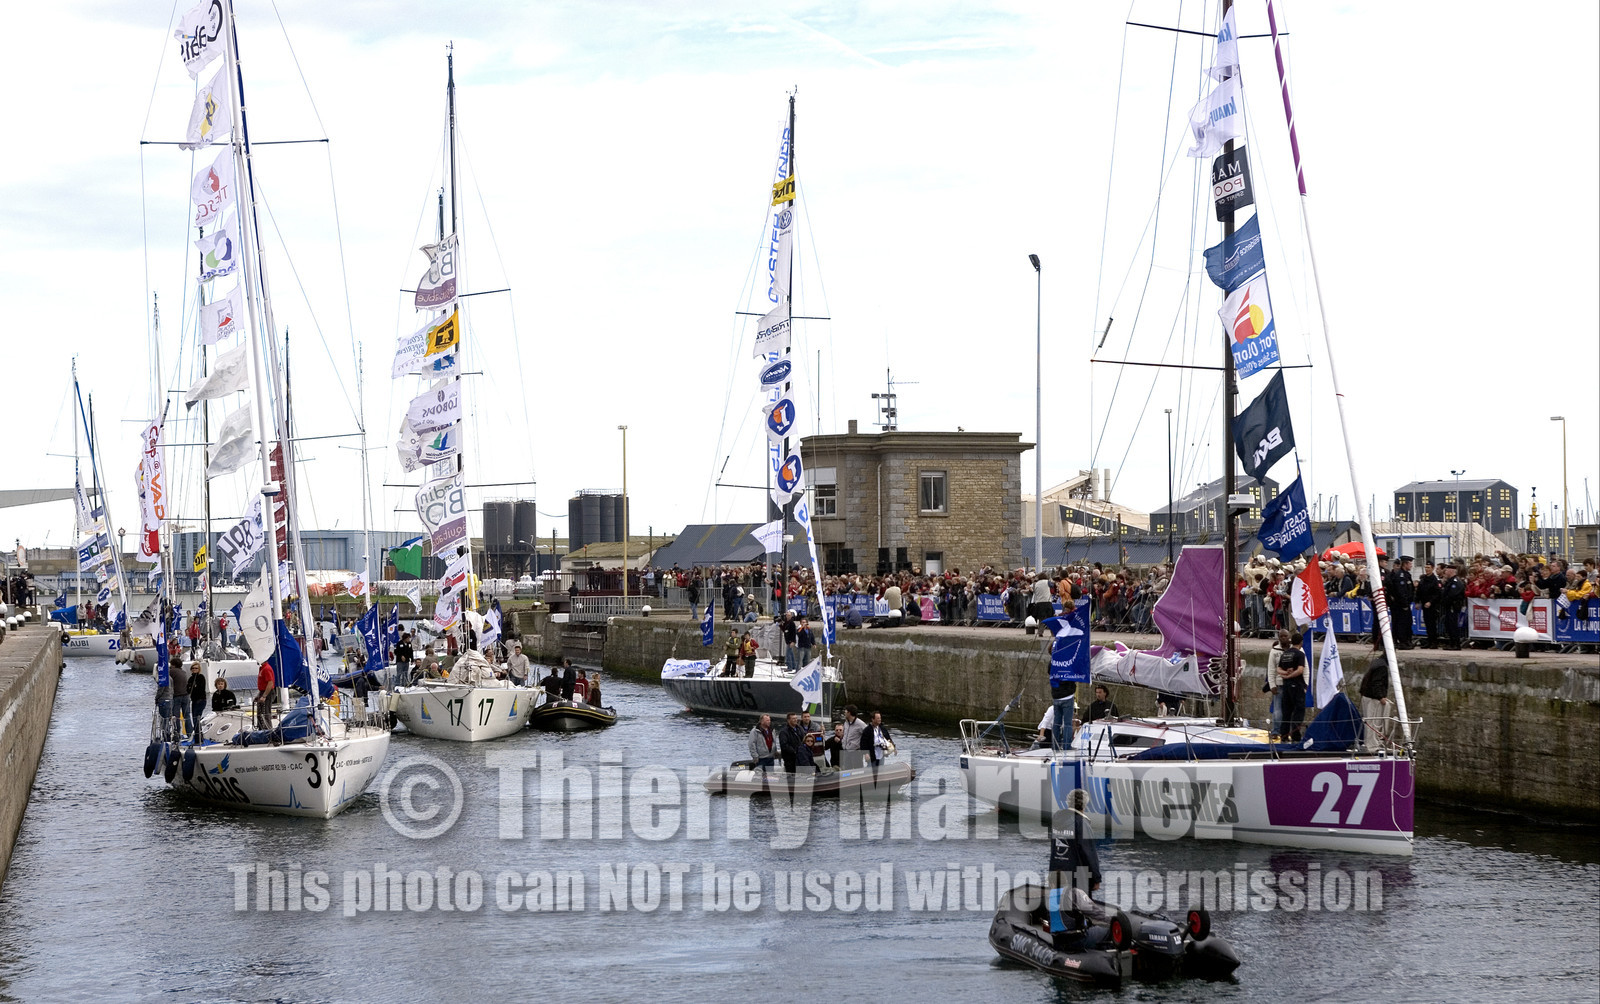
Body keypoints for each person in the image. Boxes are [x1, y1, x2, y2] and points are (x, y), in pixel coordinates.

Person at [1046, 789, 1103, 950]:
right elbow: (1089, 852)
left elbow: (1054, 846)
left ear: (1068, 802)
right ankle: (1079, 938)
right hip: (1077, 874)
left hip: (1057, 871)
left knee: (1060, 905)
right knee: (1079, 907)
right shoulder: (1081, 822)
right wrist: (1096, 878)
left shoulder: (1058, 818)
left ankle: (1059, 933)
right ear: (1084, 805)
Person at [1358, 638, 1394, 752]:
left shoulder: (1376, 661)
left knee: (1369, 722)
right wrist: (1381, 697)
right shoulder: (1382, 666)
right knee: (1373, 723)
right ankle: (1373, 746)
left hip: (1366, 695)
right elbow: (1377, 683)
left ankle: (1370, 744)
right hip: (1373, 698)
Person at [1277, 632, 1309, 743]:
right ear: (1301, 642)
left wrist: (1285, 674)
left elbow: (1278, 669)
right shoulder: (1300, 654)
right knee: (1298, 712)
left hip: (1286, 686)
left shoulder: (1285, 654)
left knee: (1286, 711)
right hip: (1297, 685)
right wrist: (1291, 675)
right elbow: (1300, 670)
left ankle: (1284, 736)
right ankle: (1296, 736)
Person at [1385, 555, 1416, 650]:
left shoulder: (1407, 575)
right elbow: (1401, 592)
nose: (1411, 565)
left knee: (1407, 623)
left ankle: (1407, 641)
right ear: (1405, 564)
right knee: (1402, 624)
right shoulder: (1400, 576)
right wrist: (1404, 604)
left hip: (1406, 604)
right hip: (1401, 605)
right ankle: (1403, 642)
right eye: (1410, 563)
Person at [1438, 562, 1467, 650]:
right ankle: (1451, 643)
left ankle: (1455, 644)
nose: (1445, 572)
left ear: (1451, 571)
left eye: (1446, 570)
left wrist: (1445, 600)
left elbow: (1452, 595)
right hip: (1448, 607)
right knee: (1449, 625)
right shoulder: (1449, 582)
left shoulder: (1456, 582)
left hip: (1453, 607)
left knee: (1453, 625)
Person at [1415, 561, 1441, 649]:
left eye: (1428, 568)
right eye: (1426, 568)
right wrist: (1417, 602)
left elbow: (1437, 594)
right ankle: (1429, 641)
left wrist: (1430, 602)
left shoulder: (1435, 580)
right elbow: (1418, 592)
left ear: (1432, 568)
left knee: (1432, 624)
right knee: (1427, 623)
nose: (1427, 569)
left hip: (1432, 606)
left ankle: (1434, 642)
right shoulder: (1423, 580)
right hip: (1424, 605)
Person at [171, 659, 195, 739]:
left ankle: (177, 734)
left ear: (173, 664)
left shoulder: (172, 671)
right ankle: (190, 734)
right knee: (187, 716)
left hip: (177, 696)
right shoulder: (183, 672)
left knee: (176, 716)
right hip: (186, 695)